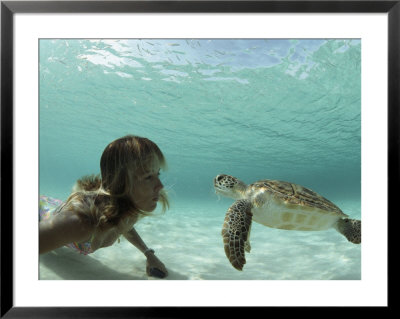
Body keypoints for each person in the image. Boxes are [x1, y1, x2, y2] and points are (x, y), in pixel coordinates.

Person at [39, 135, 169, 278]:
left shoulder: (128, 210)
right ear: (120, 183)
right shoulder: (81, 222)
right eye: (148, 177)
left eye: (157, 174)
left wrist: (149, 254)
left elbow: (126, 225)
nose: (160, 186)